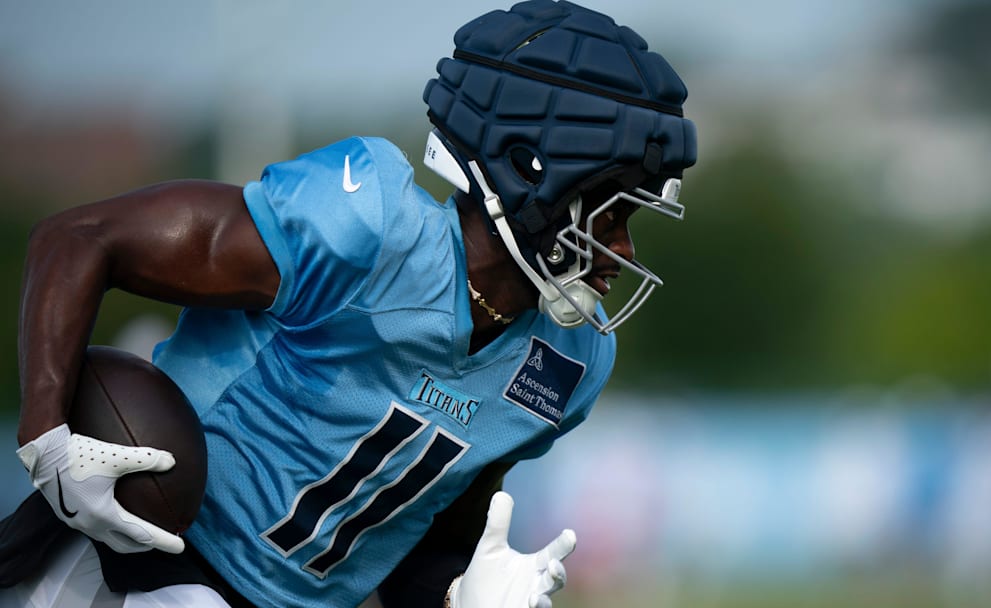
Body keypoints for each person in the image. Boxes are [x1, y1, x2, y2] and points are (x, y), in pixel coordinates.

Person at [0, 0, 696, 606]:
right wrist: (47, 439)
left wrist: (466, 596)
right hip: (133, 557)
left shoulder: (567, 360)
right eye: (607, 216)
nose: (624, 253)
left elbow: (427, 538)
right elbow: (79, 238)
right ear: (531, 176)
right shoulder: (368, 231)